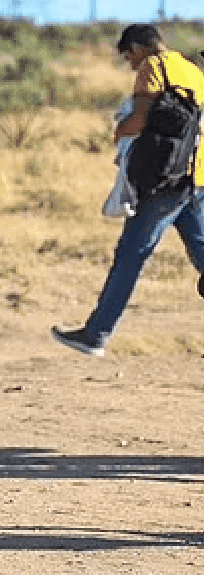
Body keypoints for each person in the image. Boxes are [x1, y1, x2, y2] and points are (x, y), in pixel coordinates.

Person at [52, 23, 204, 356]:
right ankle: (96, 332)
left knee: (131, 255)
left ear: (138, 48)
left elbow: (141, 118)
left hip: (166, 178)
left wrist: (120, 132)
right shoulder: (193, 70)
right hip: (196, 175)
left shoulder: (154, 66)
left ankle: (96, 334)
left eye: (128, 56)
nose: (130, 64)